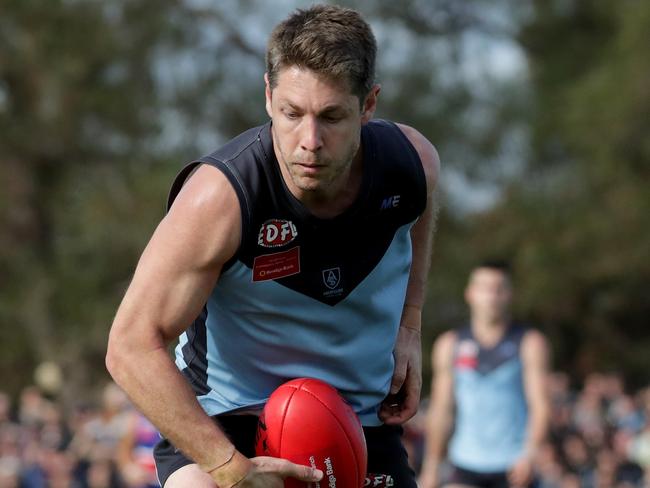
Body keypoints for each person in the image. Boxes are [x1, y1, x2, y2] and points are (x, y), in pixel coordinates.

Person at [106, 4, 439, 487]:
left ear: (368, 105)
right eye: (291, 113)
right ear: (268, 96)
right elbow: (130, 346)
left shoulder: (411, 165)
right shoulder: (220, 198)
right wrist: (231, 470)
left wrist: (410, 326)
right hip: (227, 422)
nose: (309, 140)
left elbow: (419, 212)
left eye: (331, 117)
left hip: (358, 421)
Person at [419, 261, 550, 488]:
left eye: (498, 289)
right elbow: (442, 410)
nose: (491, 296)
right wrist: (431, 466)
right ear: (470, 293)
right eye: (484, 288)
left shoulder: (530, 343)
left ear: (509, 294)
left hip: (514, 466)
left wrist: (530, 455)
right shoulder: (450, 344)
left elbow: (540, 406)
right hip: (465, 463)